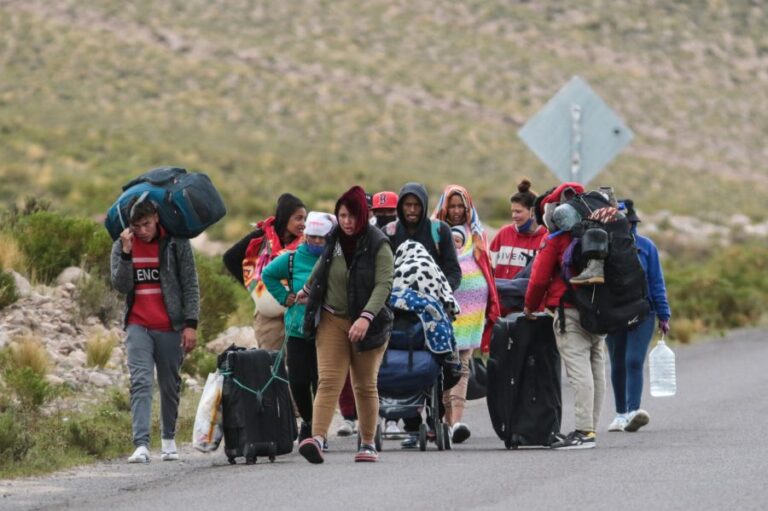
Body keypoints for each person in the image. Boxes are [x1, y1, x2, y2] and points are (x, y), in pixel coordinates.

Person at [296, 186, 394, 463]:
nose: (347, 222)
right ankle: (317, 439)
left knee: (364, 385)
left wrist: (366, 317)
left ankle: (367, 443)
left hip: (369, 324)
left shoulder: (378, 243)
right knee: (329, 380)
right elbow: (323, 265)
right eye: (342, 215)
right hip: (332, 319)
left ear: (363, 215)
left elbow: (384, 284)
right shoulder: (335, 238)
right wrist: (307, 288)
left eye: (352, 216)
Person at [110, 197, 199, 464]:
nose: (143, 230)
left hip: (169, 325)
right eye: (137, 226)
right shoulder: (121, 245)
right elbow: (121, 286)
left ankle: (169, 440)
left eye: (147, 224)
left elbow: (190, 285)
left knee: (170, 384)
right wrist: (126, 253)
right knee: (140, 381)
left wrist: (190, 324)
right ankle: (141, 444)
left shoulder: (176, 244)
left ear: (157, 218)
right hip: (138, 325)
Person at [524, 182, 606, 450]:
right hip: (599, 309)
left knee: (579, 370)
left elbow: (538, 280)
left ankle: (584, 431)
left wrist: (529, 307)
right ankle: (591, 427)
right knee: (596, 367)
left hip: (569, 310)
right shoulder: (600, 233)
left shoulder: (557, 239)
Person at [386, 182, 461, 448]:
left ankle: (435, 419)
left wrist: (441, 293)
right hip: (398, 310)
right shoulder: (390, 233)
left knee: (442, 364)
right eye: (407, 205)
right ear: (400, 207)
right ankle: (411, 423)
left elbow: (453, 271)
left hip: (432, 309)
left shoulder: (439, 232)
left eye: (416, 205)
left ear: (424, 206)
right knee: (401, 360)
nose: (412, 210)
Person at [432, 184, 500, 444]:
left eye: (462, 206)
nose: (458, 211)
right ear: (445, 207)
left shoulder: (477, 232)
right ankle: (443, 419)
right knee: (442, 364)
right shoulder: (435, 232)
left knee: (462, 364)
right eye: (453, 206)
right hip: (445, 308)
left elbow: (486, 265)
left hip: (472, 309)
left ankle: (456, 422)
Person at [261, 211, 336, 443]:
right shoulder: (292, 259)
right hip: (297, 330)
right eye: (312, 237)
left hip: (327, 329)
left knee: (320, 380)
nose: (315, 241)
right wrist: (285, 298)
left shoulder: (335, 259)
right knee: (299, 381)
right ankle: (308, 419)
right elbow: (268, 274)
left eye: (321, 238)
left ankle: (318, 429)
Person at [605, 199, 671, 432]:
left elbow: (656, 281)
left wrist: (664, 314)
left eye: (629, 223)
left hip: (644, 311)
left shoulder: (646, 247)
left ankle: (633, 411)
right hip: (614, 312)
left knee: (633, 360)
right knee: (617, 363)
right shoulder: (604, 247)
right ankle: (620, 413)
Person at [223, 193, 306, 350]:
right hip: (269, 320)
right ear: (285, 217)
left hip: (297, 315)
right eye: (298, 218)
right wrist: (254, 288)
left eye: (304, 219)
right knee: (272, 366)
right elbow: (230, 258)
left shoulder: (306, 242)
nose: (303, 223)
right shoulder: (261, 237)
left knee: (297, 368)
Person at [489, 179, 548, 281]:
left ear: (533, 212)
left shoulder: (546, 237)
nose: (514, 216)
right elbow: (489, 268)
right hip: (500, 295)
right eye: (512, 211)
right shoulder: (504, 233)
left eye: (518, 211)